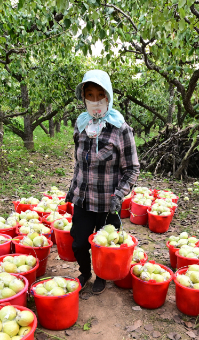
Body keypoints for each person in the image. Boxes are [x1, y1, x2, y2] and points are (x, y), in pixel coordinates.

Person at [66, 70, 140, 295]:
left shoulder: (120, 129)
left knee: (105, 246)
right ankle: (85, 271)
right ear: (83, 97)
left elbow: (132, 168)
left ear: (108, 97)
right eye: (90, 95)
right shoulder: (81, 124)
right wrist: (73, 189)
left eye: (100, 95)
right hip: (83, 197)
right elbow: (80, 162)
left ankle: (101, 275)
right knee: (79, 242)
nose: (95, 101)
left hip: (108, 201)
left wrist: (120, 194)